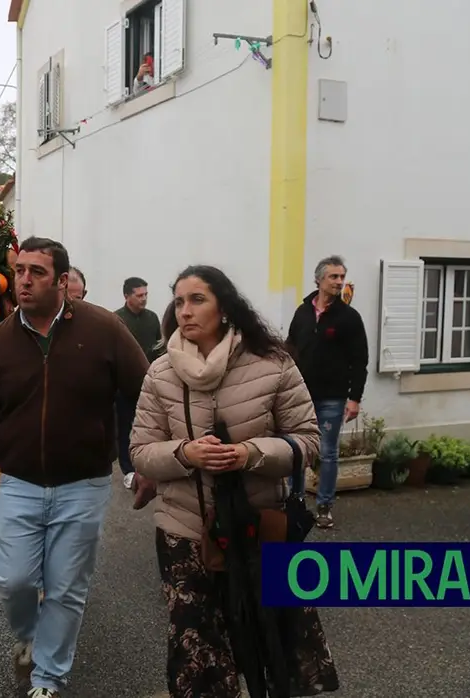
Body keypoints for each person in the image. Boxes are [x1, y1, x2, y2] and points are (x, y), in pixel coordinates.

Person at [129, 265, 338, 698]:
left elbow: (308, 441)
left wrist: (250, 454)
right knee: (198, 651)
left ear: (225, 307)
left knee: (269, 637)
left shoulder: (273, 363)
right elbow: (140, 452)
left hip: (258, 526)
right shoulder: (160, 372)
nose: (185, 310)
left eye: (197, 299)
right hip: (183, 532)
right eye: (179, 301)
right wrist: (185, 453)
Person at [0, 237, 150, 698]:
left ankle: (47, 678)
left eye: (37, 272)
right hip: (20, 483)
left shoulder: (103, 329)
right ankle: (29, 636)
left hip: (83, 484)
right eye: (21, 270)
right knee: (15, 581)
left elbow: (146, 394)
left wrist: (143, 459)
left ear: (63, 281)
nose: (24, 280)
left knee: (67, 586)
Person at [286, 255, 368, 529]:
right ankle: (295, 500)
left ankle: (324, 505)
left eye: (341, 277)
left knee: (328, 452)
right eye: (333, 277)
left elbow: (360, 361)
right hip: (299, 396)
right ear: (319, 279)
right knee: (296, 450)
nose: (339, 281)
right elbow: (290, 349)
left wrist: (354, 398)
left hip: (332, 397)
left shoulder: (349, 318)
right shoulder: (303, 313)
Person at [115, 277, 162, 490]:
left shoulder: (152, 318)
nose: (143, 299)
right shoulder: (116, 319)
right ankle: (128, 470)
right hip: (124, 385)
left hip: (150, 383)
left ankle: (151, 467)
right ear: (127, 296)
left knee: (150, 426)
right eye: (139, 295)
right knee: (125, 426)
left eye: (145, 295)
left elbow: (159, 348)